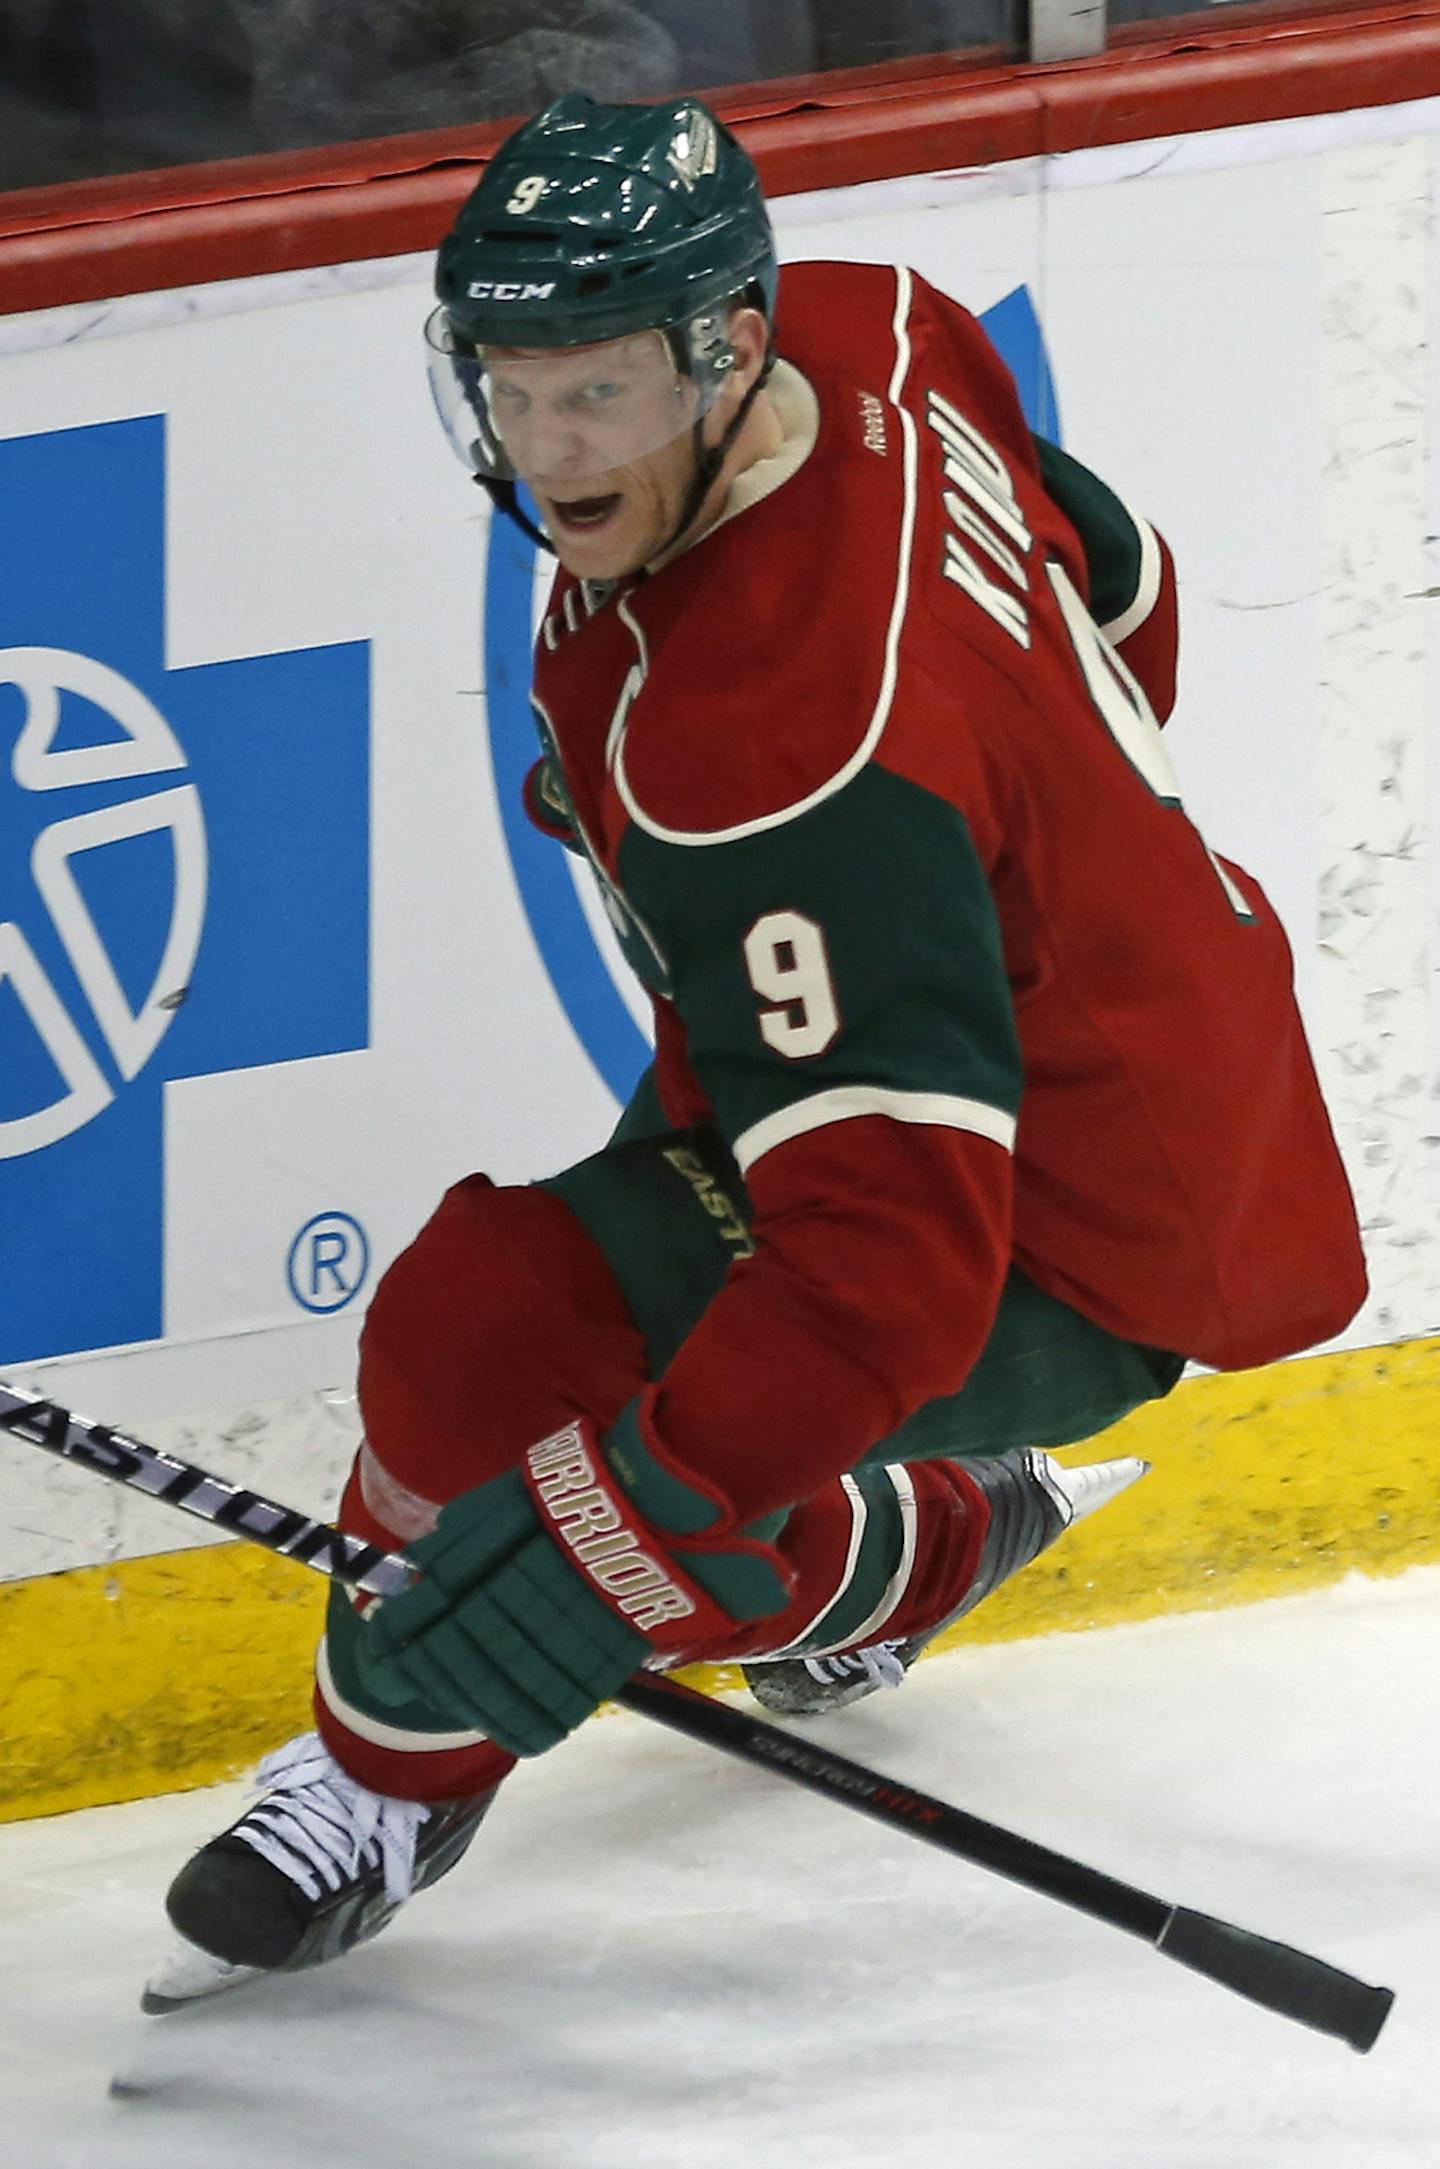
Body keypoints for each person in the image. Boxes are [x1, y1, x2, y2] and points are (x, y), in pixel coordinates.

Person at [144, 93, 1367, 2009]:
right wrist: (1036, 845)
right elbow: (1114, 573)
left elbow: (891, 1274)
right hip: (1082, 1042)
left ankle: (384, 1777)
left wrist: (584, 1564)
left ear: (721, 351)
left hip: (1069, 1212)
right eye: (514, 392)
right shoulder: (870, 324)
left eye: (601, 396)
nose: (549, 455)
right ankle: (928, 1546)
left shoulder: (787, 756)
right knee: (594, 1415)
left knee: (492, 1351)